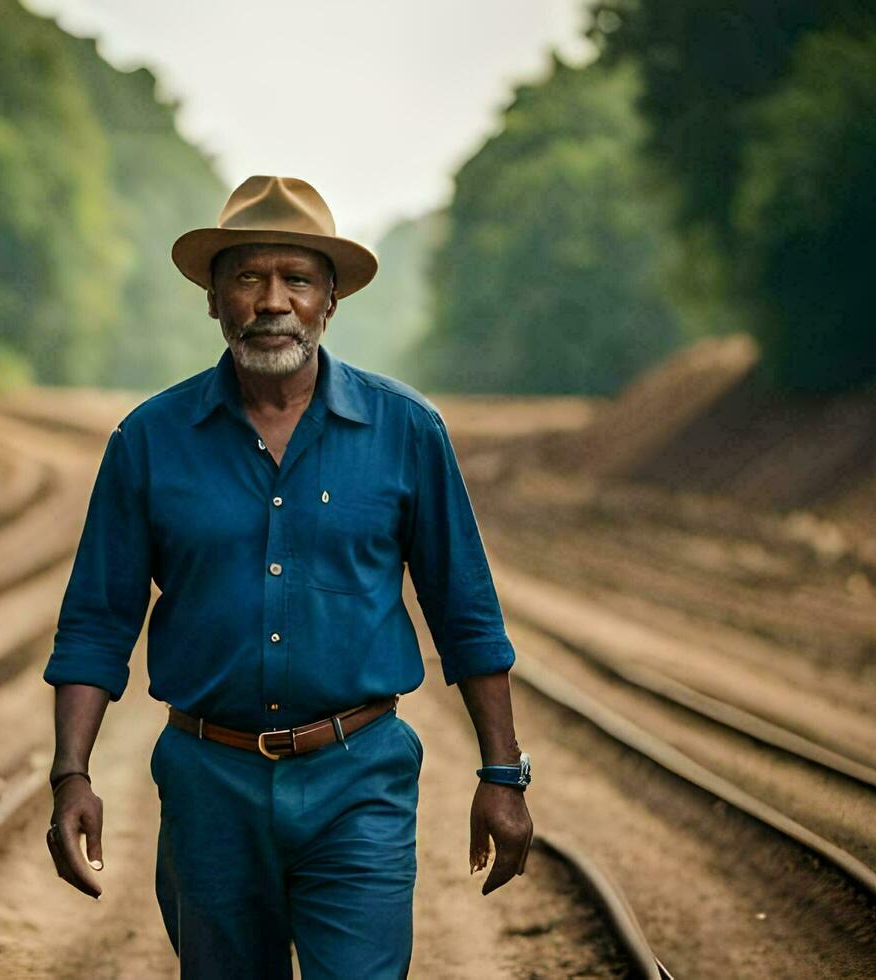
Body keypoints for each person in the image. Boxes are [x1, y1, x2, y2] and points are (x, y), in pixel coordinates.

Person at [42, 175, 534, 978]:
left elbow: (467, 615)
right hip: (209, 785)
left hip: (360, 777)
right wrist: (71, 775)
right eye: (248, 277)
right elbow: (97, 622)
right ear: (214, 298)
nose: (273, 300)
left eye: (297, 279)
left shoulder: (406, 431)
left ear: (329, 299)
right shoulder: (149, 440)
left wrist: (502, 775)